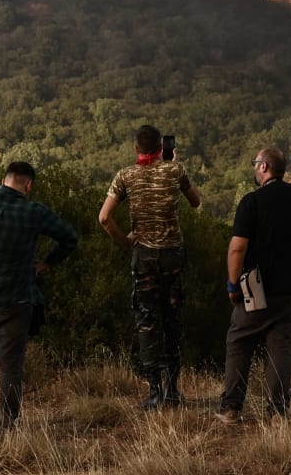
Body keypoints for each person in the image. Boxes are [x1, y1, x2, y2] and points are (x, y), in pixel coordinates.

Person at [0, 160, 80, 436]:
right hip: (15, 301)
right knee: (10, 368)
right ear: (28, 186)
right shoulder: (33, 212)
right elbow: (70, 238)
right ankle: (9, 430)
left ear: (4, 179)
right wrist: (47, 263)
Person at [99, 124, 202, 409]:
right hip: (172, 255)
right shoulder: (175, 170)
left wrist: (126, 240)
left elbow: (104, 217)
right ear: (161, 148)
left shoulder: (125, 176)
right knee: (172, 320)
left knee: (146, 321)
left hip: (143, 255)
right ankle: (173, 390)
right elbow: (196, 202)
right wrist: (174, 165)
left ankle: (154, 391)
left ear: (136, 149)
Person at [218, 146, 291, 424]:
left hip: (256, 289)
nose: (254, 167)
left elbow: (237, 249)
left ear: (264, 167)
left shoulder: (252, 202)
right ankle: (277, 413)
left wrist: (232, 285)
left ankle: (231, 408)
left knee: (239, 342)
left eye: (255, 163)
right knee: (280, 348)